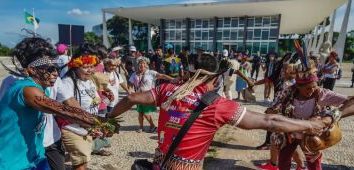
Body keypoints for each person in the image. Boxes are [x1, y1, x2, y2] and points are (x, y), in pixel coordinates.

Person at [107, 53, 327, 170]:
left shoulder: (168, 90)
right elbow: (268, 121)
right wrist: (309, 125)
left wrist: (108, 118)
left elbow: (132, 97)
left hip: (160, 162)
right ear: (213, 77)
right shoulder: (216, 104)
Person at [0, 36, 94, 170]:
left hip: (35, 157)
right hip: (9, 161)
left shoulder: (45, 89)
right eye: (49, 69)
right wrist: (99, 122)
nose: (56, 74)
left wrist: (92, 124)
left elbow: (68, 104)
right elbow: (62, 110)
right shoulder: (26, 89)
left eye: (56, 69)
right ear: (32, 70)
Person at [261, 54, 352, 170]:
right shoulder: (288, 92)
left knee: (314, 165)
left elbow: (350, 100)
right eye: (308, 88)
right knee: (283, 161)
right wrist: (273, 113)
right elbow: (271, 110)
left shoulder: (321, 94)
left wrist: (332, 116)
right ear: (298, 86)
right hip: (290, 134)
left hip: (311, 138)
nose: (312, 90)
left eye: (314, 86)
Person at [56, 43, 110, 169]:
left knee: (84, 162)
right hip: (72, 129)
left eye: (92, 67)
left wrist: (106, 100)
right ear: (76, 66)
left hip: (86, 128)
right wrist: (95, 126)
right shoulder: (68, 82)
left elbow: (94, 102)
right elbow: (73, 109)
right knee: (81, 164)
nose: (90, 70)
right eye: (86, 67)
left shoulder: (89, 81)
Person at [129, 57, 174, 133]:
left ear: (146, 65)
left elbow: (162, 76)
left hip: (148, 96)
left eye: (144, 63)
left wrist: (172, 79)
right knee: (140, 113)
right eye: (140, 63)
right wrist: (130, 91)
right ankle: (141, 127)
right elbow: (130, 85)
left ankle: (153, 126)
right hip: (138, 96)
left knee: (145, 113)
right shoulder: (134, 74)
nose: (142, 65)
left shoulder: (151, 72)